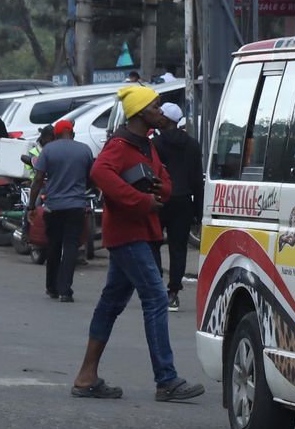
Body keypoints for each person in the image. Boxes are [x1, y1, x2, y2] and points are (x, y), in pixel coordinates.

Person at [69, 86, 204, 402]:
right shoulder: (120, 144)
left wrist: (160, 189)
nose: (161, 110)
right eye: (156, 106)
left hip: (140, 232)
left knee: (111, 303)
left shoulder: (146, 145)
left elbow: (164, 180)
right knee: (156, 298)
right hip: (129, 234)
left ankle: (86, 376)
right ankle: (166, 380)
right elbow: (99, 172)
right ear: (141, 112)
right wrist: (140, 201)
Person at [31, 116, 93, 301]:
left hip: (53, 207)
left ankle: (52, 287)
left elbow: (38, 179)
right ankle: (66, 290)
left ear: (56, 135)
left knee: (53, 246)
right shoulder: (85, 150)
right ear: (72, 134)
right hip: (76, 206)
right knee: (71, 247)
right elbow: (92, 176)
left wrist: (30, 205)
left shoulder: (49, 149)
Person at [154, 101, 201, 312]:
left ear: (165, 120)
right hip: (184, 201)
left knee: (152, 243)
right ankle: (173, 292)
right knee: (178, 248)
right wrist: (198, 212)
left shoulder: (155, 144)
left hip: (159, 199)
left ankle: (155, 285)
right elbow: (197, 180)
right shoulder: (192, 144)